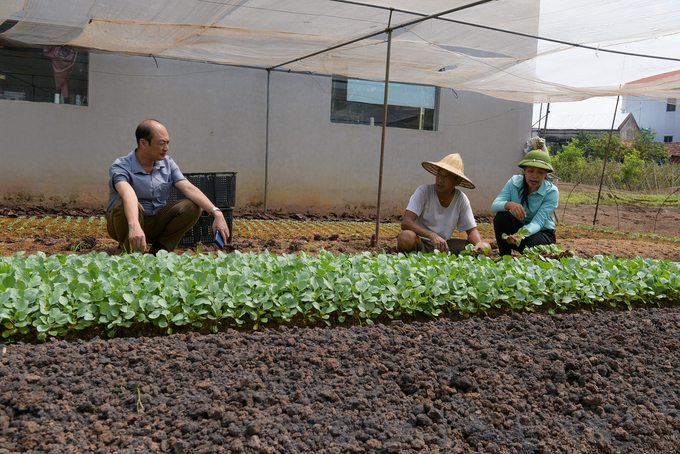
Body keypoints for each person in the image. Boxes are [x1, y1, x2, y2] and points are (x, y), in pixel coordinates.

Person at [106, 119, 230, 254]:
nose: (166, 148)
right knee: (127, 204)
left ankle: (159, 252)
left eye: (168, 143)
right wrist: (134, 224)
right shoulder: (121, 165)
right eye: (162, 143)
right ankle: (128, 252)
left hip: (155, 222)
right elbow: (127, 193)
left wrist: (216, 213)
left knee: (192, 207)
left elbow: (188, 188)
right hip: (127, 224)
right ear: (143, 143)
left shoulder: (168, 164)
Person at [397, 153, 491, 255]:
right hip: (420, 242)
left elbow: (471, 230)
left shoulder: (461, 199)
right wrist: (432, 235)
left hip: (444, 247)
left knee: (486, 248)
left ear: (457, 181)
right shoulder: (423, 192)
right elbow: (406, 222)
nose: (440, 180)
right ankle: (412, 262)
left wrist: (478, 243)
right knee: (406, 237)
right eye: (439, 174)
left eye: (446, 176)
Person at [491, 139, 559, 257]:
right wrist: (510, 204)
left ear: (545, 174)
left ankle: (530, 260)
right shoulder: (514, 182)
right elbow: (494, 206)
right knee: (501, 217)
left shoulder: (551, 192)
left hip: (541, 233)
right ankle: (504, 257)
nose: (534, 176)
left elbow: (538, 222)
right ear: (525, 170)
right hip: (519, 230)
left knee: (531, 243)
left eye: (540, 172)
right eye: (531, 171)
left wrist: (521, 234)